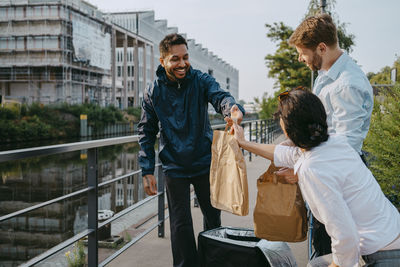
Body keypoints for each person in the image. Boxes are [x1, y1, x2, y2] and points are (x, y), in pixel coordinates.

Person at [232, 88, 400, 267]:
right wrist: (244, 143)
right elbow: (287, 154)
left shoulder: (312, 169)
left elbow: (345, 236)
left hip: (381, 255)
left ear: (288, 131)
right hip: (389, 237)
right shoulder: (335, 142)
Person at [138, 33, 245, 267]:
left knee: (213, 218)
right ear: (162, 61)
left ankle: (213, 262)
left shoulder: (200, 80)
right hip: (174, 166)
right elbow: (146, 130)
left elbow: (221, 97)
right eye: (175, 59)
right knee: (180, 223)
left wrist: (233, 111)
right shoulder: (153, 91)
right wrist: (147, 169)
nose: (182, 64)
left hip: (204, 160)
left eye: (185, 57)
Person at [278, 13, 375, 256]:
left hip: (336, 179)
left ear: (321, 48)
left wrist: (300, 171)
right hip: (326, 171)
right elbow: (322, 128)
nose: (300, 58)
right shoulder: (327, 74)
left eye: (302, 52)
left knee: (328, 250)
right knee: (320, 245)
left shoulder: (347, 85)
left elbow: (345, 148)